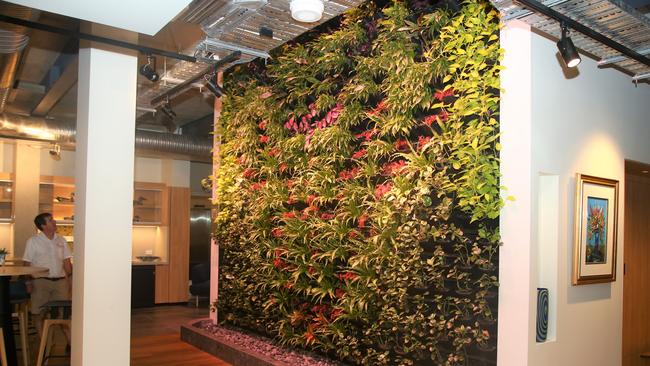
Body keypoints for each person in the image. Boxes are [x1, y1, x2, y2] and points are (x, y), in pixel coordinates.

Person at [23, 213, 73, 337]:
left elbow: (67, 262)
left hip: (60, 281)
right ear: (43, 225)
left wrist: (71, 281)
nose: (55, 221)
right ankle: (43, 345)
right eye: (50, 220)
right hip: (40, 282)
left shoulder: (61, 240)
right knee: (40, 313)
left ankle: (70, 344)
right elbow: (26, 263)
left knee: (63, 314)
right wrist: (28, 282)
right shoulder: (33, 241)